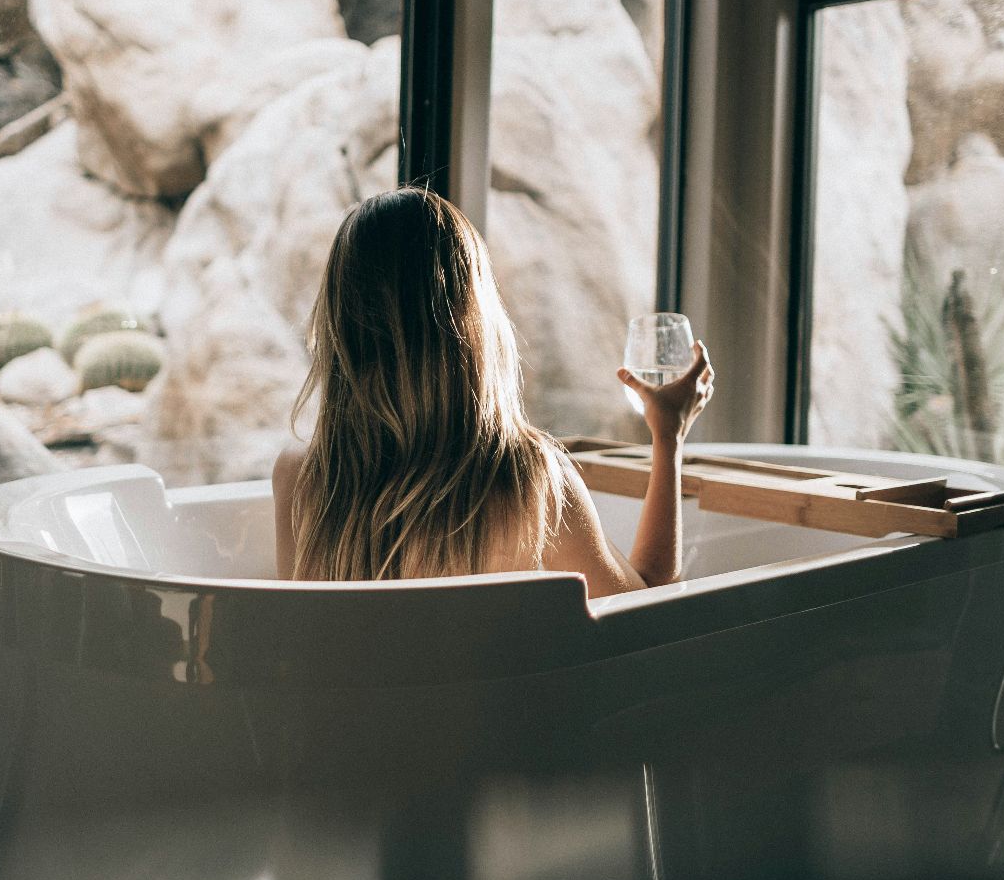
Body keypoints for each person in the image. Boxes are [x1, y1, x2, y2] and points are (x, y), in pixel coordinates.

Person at [272, 188, 713, 598]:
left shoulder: (300, 479)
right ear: (474, 322)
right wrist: (668, 436)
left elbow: (303, 641)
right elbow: (644, 612)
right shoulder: (530, 481)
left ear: (339, 327)